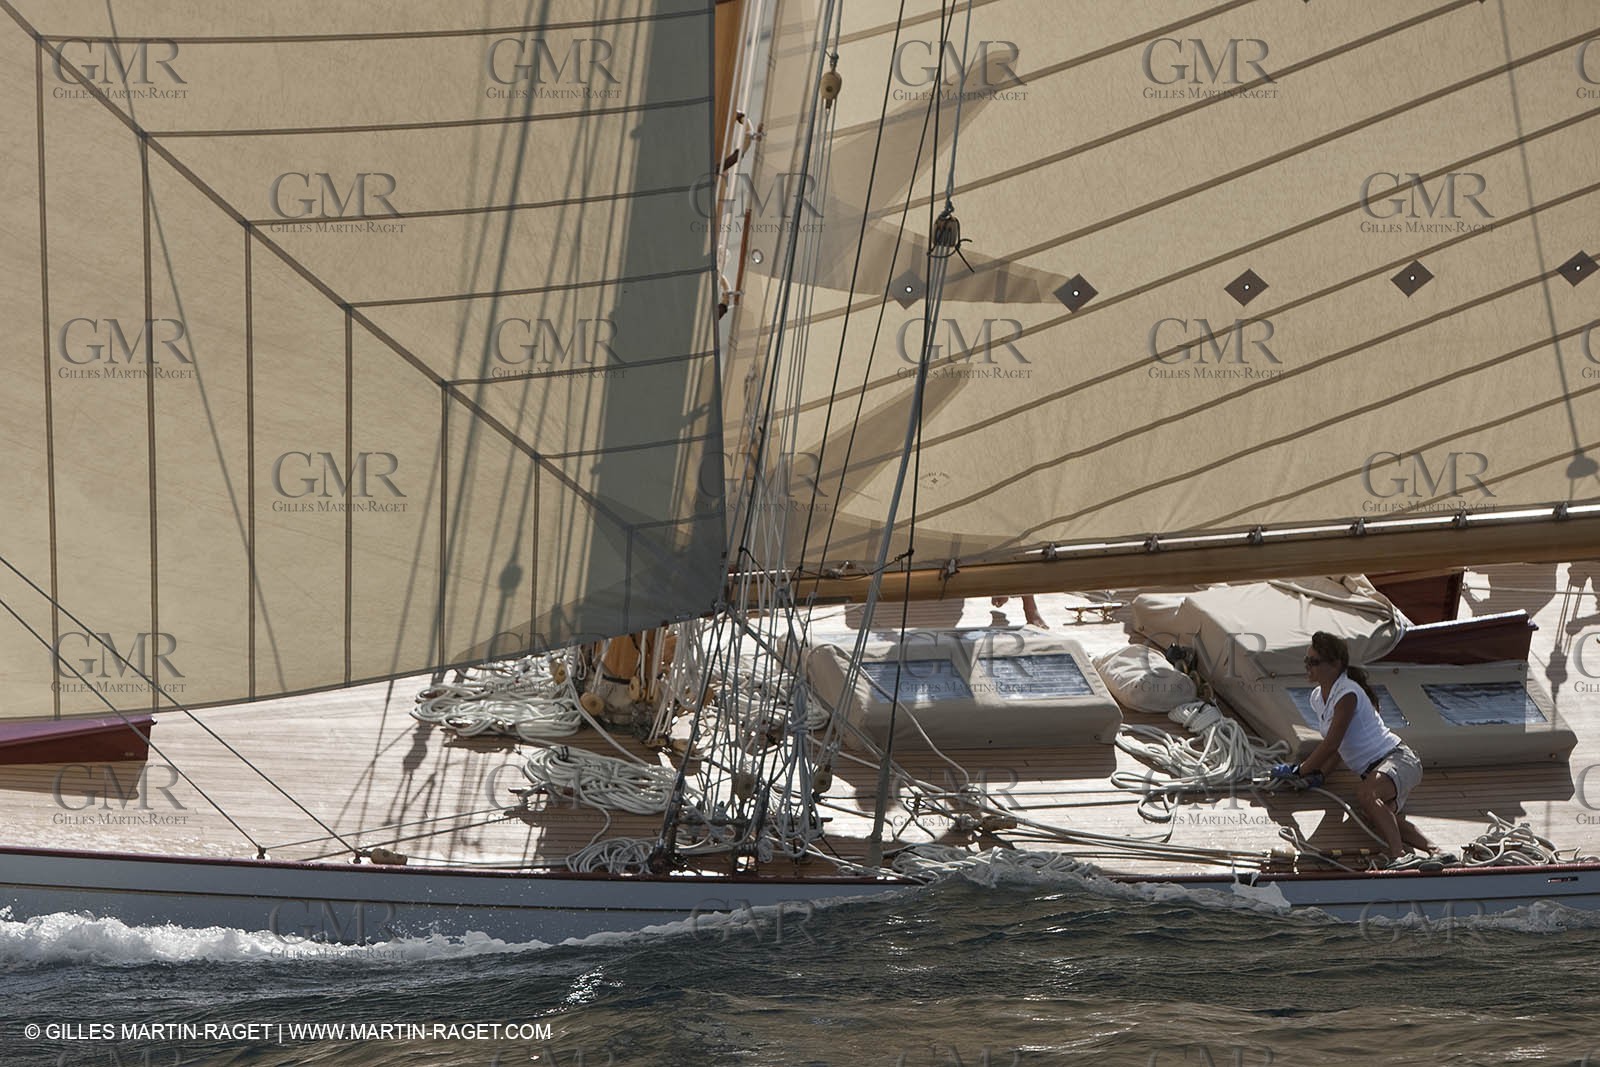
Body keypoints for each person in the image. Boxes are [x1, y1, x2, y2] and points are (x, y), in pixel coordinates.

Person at [1271, 631, 1455, 870]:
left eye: (1314, 662)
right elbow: (1338, 747)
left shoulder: (1347, 693)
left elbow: (1331, 744)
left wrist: (1300, 770)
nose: (1308, 666)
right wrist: (1320, 775)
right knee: (1376, 814)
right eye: (1307, 661)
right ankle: (1437, 851)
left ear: (1335, 664)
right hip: (1380, 769)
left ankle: (1400, 856)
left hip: (1398, 759)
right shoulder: (1318, 698)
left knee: (1366, 795)